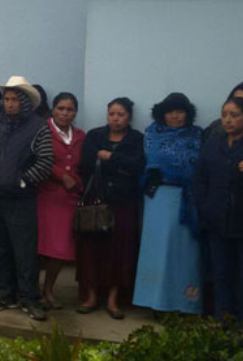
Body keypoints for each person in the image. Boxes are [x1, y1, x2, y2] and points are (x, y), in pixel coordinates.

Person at [0, 76, 53, 321]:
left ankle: (29, 298)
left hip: (21, 199)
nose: (9, 104)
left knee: (24, 251)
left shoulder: (39, 127)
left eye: (14, 100)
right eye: (6, 99)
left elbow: (45, 161)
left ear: (25, 102)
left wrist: (22, 181)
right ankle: (3, 294)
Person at [133, 93, 203, 316]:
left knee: (185, 253)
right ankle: (156, 303)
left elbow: (200, 167)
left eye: (180, 111)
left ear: (187, 113)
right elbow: (151, 162)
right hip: (158, 198)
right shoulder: (152, 133)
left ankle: (185, 304)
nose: (175, 116)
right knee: (157, 250)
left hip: (187, 199)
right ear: (162, 114)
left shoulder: (197, 135)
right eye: (170, 111)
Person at [75, 97, 146, 319]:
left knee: (120, 251)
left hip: (123, 203)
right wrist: (120, 165)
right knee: (91, 250)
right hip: (96, 202)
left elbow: (137, 166)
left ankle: (113, 300)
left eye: (120, 114)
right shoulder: (95, 135)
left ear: (129, 117)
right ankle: (91, 297)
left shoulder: (136, 139)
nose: (115, 119)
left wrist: (110, 157)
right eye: (112, 114)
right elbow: (86, 164)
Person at [195, 97, 243, 323]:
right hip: (218, 221)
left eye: (234, 115)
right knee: (221, 276)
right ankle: (222, 325)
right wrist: (205, 206)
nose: (228, 120)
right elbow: (200, 178)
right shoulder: (213, 143)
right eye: (224, 115)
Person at [38, 93, 85, 310]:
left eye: (70, 109)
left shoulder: (80, 136)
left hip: (69, 199)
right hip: (46, 196)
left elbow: (84, 165)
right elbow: (37, 158)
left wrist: (76, 182)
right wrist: (60, 175)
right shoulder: (42, 131)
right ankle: (30, 290)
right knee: (40, 246)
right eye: (61, 108)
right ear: (53, 110)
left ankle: (48, 289)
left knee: (60, 248)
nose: (65, 113)